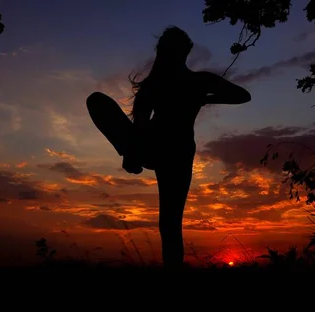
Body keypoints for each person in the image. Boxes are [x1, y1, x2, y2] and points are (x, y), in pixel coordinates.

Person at [86, 26, 251, 268]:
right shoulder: (196, 81)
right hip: (172, 149)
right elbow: (241, 95)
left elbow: (242, 95)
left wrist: (205, 98)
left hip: (165, 149)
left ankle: (130, 155)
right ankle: (130, 154)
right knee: (170, 224)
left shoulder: (167, 83)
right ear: (186, 52)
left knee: (169, 223)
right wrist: (205, 98)